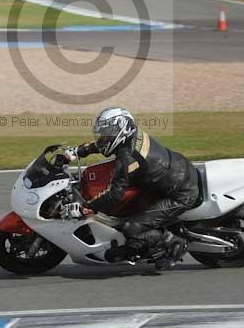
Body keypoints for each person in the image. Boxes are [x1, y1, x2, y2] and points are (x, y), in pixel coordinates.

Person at [69, 107, 200, 269]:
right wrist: (80, 150)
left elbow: (113, 195)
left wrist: (86, 207)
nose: (103, 137)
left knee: (132, 228)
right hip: (175, 172)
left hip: (180, 193)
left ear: (121, 130)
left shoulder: (127, 158)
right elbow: (106, 144)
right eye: (103, 133)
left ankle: (173, 244)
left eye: (107, 132)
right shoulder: (132, 136)